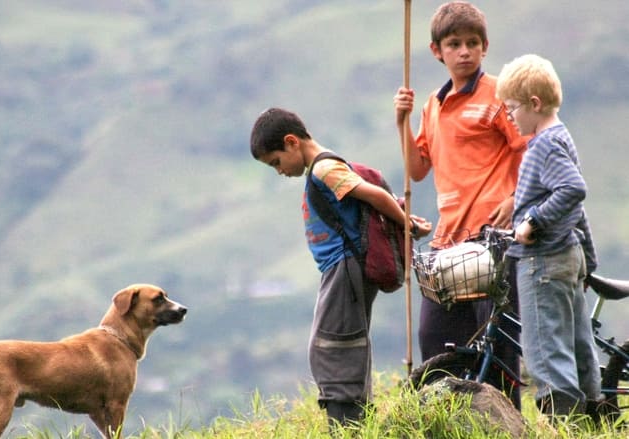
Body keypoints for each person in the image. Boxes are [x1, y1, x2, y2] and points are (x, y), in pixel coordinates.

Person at [250, 108, 432, 427]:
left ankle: (348, 425)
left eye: (276, 162)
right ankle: (355, 418)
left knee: (333, 346)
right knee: (342, 340)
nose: (278, 170)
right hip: (341, 270)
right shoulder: (323, 168)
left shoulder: (324, 169)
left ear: (292, 142)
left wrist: (406, 225)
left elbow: (373, 194)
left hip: (345, 269)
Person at [392, 1, 527, 408]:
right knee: (437, 344)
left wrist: (515, 197)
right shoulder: (433, 104)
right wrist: (401, 121)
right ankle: (448, 423)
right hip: (448, 243)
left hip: (493, 240)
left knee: (498, 346)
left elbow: (530, 147)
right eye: (454, 44)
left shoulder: (501, 94)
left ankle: (510, 427)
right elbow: (417, 170)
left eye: (472, 43)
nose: (464, 51)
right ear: (438, 51)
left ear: (485, 47)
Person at [496, 53, 601, 417]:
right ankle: (591, 419)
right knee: (578, 346)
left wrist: (532, 223)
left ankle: (562, 425)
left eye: (511, 109)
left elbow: (572, 189)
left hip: (542, 261)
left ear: (534, 104)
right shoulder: (562, 135)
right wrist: (587, 257)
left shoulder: (543, 145)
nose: (509, 117)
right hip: (567, 254)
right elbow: (576, 208)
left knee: (546, 353)